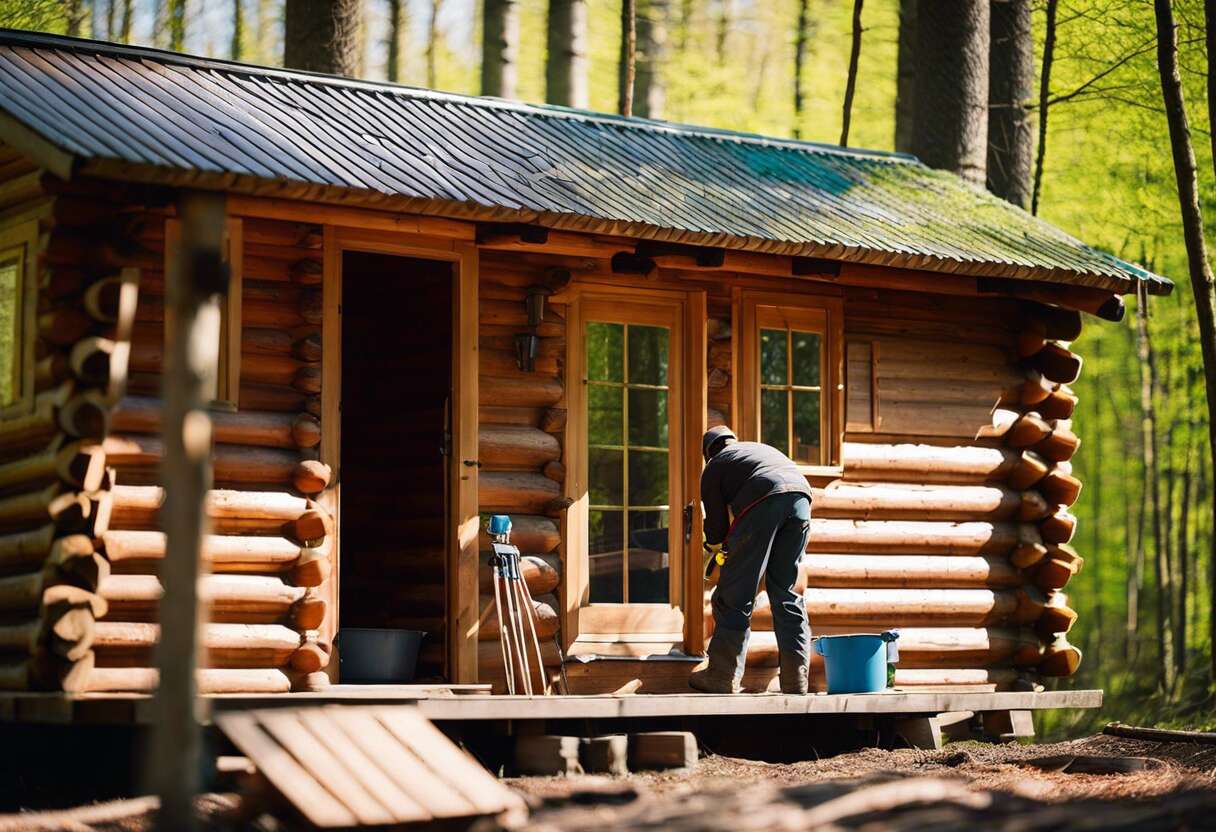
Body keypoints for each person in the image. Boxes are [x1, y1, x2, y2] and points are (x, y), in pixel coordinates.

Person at [689, 426, 813, 694]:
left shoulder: (715, 465)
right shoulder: (759, 450)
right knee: (786, 591)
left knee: (736, 594)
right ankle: (796, 680)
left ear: (708, 452)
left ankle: (722, 676)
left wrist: (714, 547)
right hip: (802, 497)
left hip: (764, 497)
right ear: (731, 441)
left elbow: (716, 524)